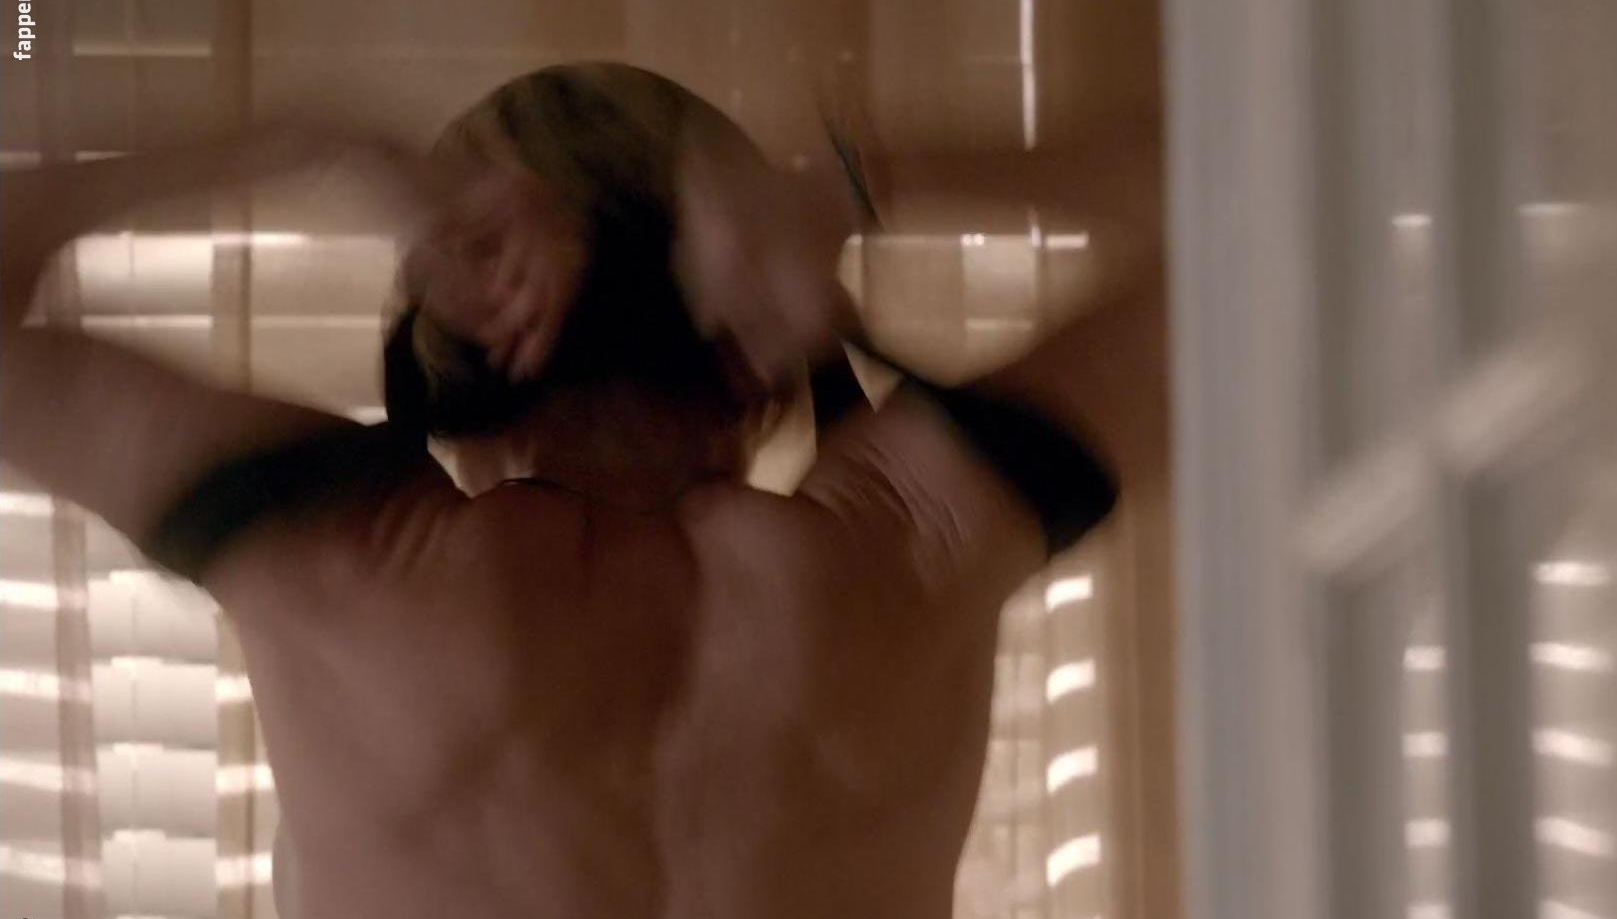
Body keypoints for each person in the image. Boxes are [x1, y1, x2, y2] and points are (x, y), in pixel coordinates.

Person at [0, 62, 1165, 919]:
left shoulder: (334, 553)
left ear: (445, 346)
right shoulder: (918, 540)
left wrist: (310, 148)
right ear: (757, 346)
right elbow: (1256, 225)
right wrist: (854, 184)